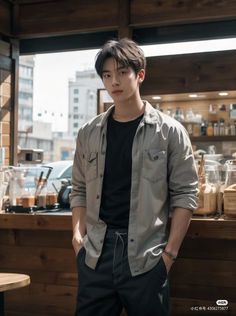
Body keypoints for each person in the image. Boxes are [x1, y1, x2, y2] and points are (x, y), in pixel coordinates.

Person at [70, 38, 198, 316]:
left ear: (140, 75)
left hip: (147, 256)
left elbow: (186, 194)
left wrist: (169, 256)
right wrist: (77, 238)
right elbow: (78, 188)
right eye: (106, 75)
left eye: (122, 72)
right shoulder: (88, 133)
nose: (113, 81)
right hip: (95, 255)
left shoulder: (170, 132)